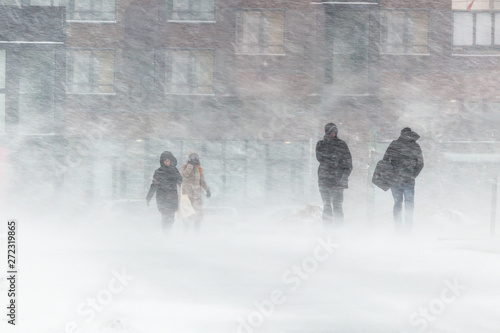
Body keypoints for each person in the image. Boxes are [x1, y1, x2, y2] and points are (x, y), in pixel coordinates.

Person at [383, 127, 424, 232]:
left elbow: (385, 161)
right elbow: (420, 164)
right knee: (409, 203)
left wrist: (390, 174)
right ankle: (408, 227)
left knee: (398, 202)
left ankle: (398, 227)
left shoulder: (394, 144)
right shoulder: (415, 146)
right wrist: (412, 174)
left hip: (395, 179)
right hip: (408, 180)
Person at [316, 123, 352, 227]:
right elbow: (320, 158)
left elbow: (348, 164)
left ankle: (337, 229)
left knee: (336, 206)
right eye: (332, 132)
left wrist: (344, 177)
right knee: (328, 205)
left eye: (334, 132)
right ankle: (329, 229)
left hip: (333, 180)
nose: (333, 134)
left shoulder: (340, 144)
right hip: (327, 180)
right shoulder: (321, 144)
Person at [146, 151, 182, 234]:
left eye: (168, 160)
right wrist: (148, 197)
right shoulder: (159, 172)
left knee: (172, 217)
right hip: (162, 197)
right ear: (162, 161)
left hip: (172, 197)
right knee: (165, 216)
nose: (167, 162)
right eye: (165, 160)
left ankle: (168, 231)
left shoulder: (174, 171)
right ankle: (165, 233)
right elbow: (154, 185)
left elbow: (180, 181)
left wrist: (175, 173)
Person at [180, 151, 211, 233]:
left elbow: (202, 181)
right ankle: (185, 231)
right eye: (193, 158)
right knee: (187, 215)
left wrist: (207, 189)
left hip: (197, 196)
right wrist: (190, 166)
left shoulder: (199, 169)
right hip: (187, 195)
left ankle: (197, 232)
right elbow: (184, 175)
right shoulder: (184, 167)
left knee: (198, 215)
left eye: (196, 158)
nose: (195, 160)